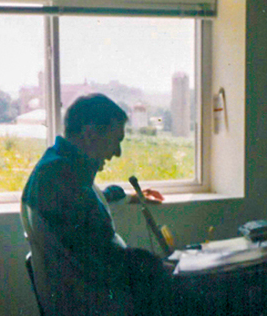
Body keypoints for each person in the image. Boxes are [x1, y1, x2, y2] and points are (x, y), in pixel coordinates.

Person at [21, 93, 188, 316]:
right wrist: (161, 267)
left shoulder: (58, 168)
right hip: (97, 303)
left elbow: (87, 206)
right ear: (90, 134)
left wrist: (126, 196)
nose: (117, 153)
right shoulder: (59, 179)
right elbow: (107, 262)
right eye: (116, 141)